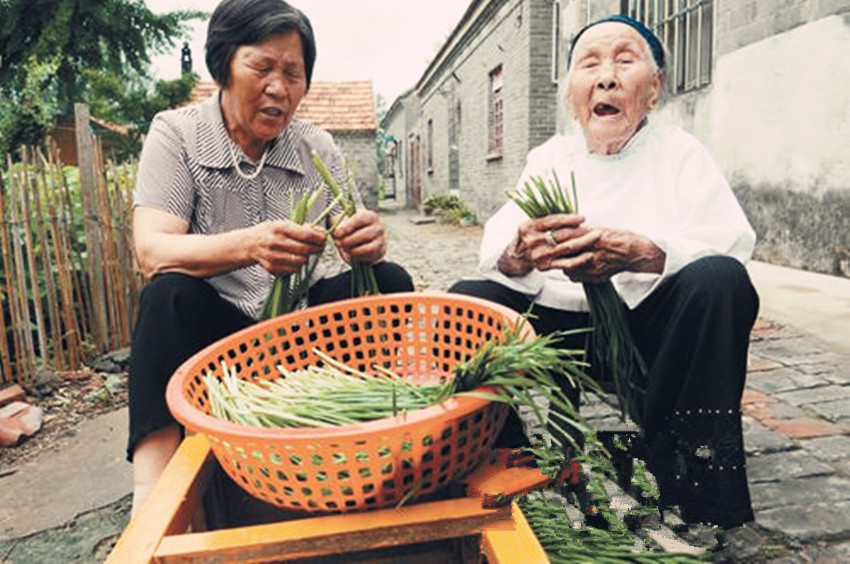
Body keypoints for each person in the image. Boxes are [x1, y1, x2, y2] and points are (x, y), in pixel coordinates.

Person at [450, 15, 758, 531]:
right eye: (589, 64)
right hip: (558, 333)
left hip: (648, 333)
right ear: (572, 92)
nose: (606, 77)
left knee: (720, 281)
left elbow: (729, 241)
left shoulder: (680, 154)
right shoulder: (549, 159)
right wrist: (522, 252)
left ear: (654, 88)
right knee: (469, 300)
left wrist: (645, 252)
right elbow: (497, 255)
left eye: (625, 60)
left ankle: (684, 484)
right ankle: (511, 462)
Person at [127, 0, 413, 515]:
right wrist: (249, 246)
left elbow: (353, 230)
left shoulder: (315, 145)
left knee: (387, 280)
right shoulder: (177, 133)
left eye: (293, 73)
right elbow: (152, 249)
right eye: (262, 67)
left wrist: (366, 239)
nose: (279, 88)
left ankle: (371, 447)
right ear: (224, 65)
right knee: (166, 295)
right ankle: (154, 501)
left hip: (301, 333)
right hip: (217, 341)